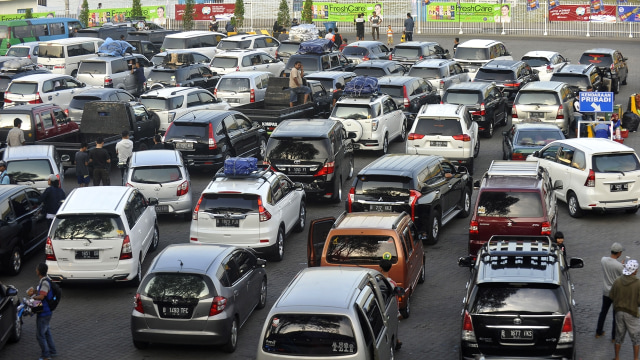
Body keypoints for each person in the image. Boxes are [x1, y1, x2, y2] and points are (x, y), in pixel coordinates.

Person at [609, 259, 640, 360]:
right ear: (634, 271)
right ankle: (635, 358)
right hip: (631, 313)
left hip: (619, 312)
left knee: (619, 336)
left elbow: (611, 295)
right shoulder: (638, 283)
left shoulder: (617, 281)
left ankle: (616, 357)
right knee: (635, 338)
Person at [27, 263, 58, 360]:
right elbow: (42, 292)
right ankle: (53, 352)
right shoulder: (44, 280)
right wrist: (35, 292)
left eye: (36, 269)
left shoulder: (44, 282)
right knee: (47, 332)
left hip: (44, 313)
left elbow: (42, 296)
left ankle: (46, 355)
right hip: (46, 312)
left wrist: (33, 297)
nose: (35, 270)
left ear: (39, 271)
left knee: (40, 335)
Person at [597, 242, 626, 340]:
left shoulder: (603, 260)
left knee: (603, 312)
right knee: (615, 316)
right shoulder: (619, 266)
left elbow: (610, 264)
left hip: (606, 291)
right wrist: (622, 265)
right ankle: (614, 337)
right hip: (616, 293)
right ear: (618, 253)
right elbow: (624, 275)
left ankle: (598, 331)